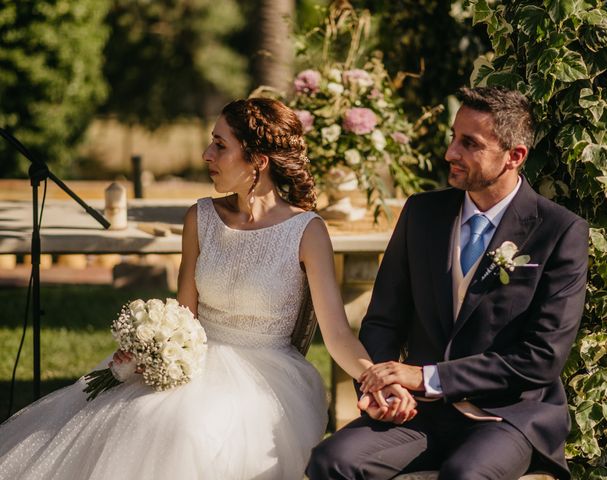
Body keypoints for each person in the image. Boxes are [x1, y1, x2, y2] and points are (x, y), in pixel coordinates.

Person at [0, 97, 413, 480]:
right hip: (192, 357)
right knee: (125, 418)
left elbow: (337, 335)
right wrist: (151, 348)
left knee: (187, 429)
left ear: (258, 161)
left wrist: (376, 377)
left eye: (220, 145)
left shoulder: (307, 231)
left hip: (265, 376)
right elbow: (185, 315)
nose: (206, 156)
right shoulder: (200, 217)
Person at [307, 86, 589, 480]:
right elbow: (384, 321)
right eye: (454, 138)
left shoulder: (559, 232)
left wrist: (425, 376)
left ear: (515, 156)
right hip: (418, 414)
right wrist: (381, 389)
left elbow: (541, 357)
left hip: (507, 417)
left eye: (469, 144)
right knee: (331, 460)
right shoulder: (422, 214)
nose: (450, 153)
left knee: (463, 476)